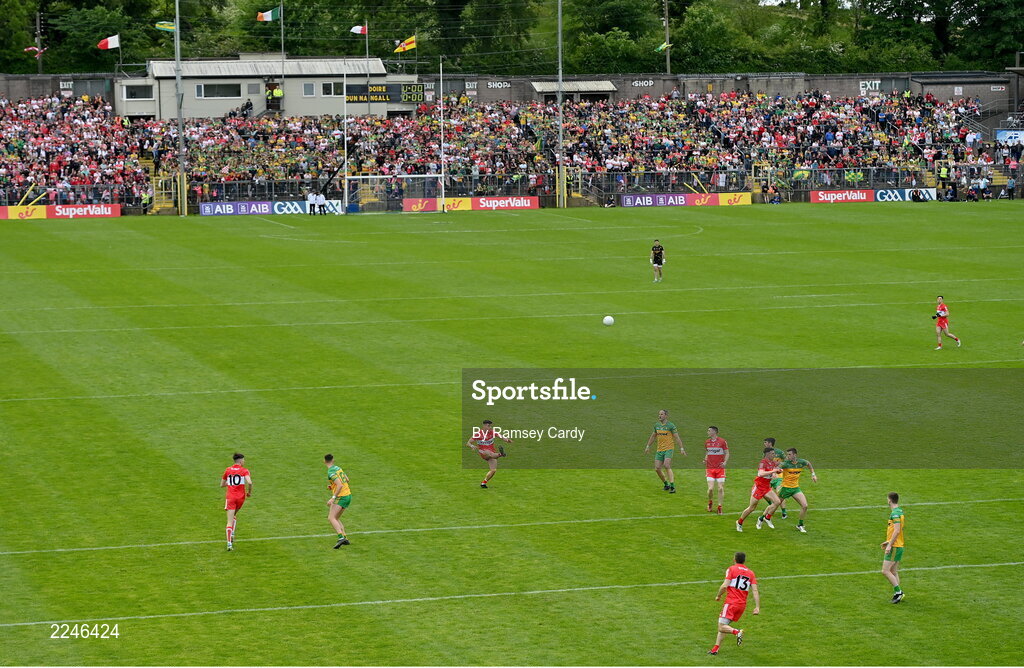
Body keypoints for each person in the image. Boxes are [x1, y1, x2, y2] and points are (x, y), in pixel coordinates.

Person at [708, 552, 759, 655]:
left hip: (731, 603)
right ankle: (715, 649)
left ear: (734, 559)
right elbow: (755, 591)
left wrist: (718, 595)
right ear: (744, 560)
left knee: (721, 626)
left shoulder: (732, 569)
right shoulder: (751, 573)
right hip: (741, 605)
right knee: (724, 626)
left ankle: (737, 632)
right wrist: (757, 607)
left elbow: (724, 586)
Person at [735, 447, 782, 532]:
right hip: (759, 487)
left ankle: (764, 518)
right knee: (752, 508)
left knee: (777, 502)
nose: (774, 455)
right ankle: (739, 522)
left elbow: (773, 472)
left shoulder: (772, 463)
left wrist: (777, 472)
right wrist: (773, 472)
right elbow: (760, 474)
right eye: (772, 453)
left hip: (766, 487)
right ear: (767, 454)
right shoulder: (762, 463)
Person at [643, 409, 685, 492]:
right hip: (659, 449)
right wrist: (648, 446)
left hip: (669, 448)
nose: (660, 416)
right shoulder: (657, 425)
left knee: (666, 465)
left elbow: (677, 437)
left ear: (666, 416)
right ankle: (666, 484)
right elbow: (653, 436)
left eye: (662, 414)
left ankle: (672, 486)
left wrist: (681, 448)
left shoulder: (671, 426)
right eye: (659, 414)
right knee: (657, 468)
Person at [778, 448, 817, 532]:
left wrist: (813, 474)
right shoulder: (786, 463)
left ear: (795, 455)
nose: (787, 456)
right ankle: (763, 518)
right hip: (785, 488)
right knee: (775, 504)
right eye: (787, 454)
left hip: (795, 488)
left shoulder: (801, 462)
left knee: (805, 506)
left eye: (789, 454)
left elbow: (808, 464)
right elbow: (779, 466)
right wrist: (776, 471)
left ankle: (800, 525)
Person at [220, 453, 252, 551]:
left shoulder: (228, 470)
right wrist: (249, 492)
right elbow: (250, 482)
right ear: (241, 461)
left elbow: (222, 484)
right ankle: (232, 533)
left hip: (230, 497)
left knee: (229, 521)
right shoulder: (244, 470)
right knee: (234, 515)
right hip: (240, 498)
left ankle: (229, 544)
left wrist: (230, 484)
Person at [466, 419, 511, 488]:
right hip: (483, 452)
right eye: (488, 426)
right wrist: (472, 446)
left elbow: (501, 436)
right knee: (490, 453)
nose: (490, 427)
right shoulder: (478, 434)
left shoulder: (492, 432)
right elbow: (468, 443)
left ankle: (483, 483)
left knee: (493, 470)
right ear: (484, 426)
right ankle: (501, 454)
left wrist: (507, 440)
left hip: (492, 452)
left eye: (490, 426)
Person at [881, 492, 906, 603]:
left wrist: (890, 545)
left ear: (889, 500)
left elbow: (897, 530)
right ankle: (897, 594)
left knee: (885, 571)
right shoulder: (899, 511)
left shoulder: (895, 514)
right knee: (893, 571)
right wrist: (888, 541)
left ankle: (899, 592)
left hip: (895, 546)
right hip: (898, 545)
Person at [324, 454, 351, 548]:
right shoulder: (338, 468)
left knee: (331, 518)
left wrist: (333, 497)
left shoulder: (330, 472)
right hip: (348, 496)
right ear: (333, 460)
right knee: (336, 518)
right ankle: (345, 538)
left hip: (341, 496)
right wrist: (332, 486)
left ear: (324, 462)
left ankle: (341, 538)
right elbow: (347, 480)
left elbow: (340, 485)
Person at [704, 426, 728, 514]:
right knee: (710, 489)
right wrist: (705, 459)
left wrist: (725, 462)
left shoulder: (722, 441)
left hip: (720, 469)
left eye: (709, 431)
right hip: (710, 468)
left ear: (714, 432)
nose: (707, 432)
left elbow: (727, 453)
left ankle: (719, 506)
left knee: (720, 488)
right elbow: (707, 452)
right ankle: (710, 502)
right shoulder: (707, 442)